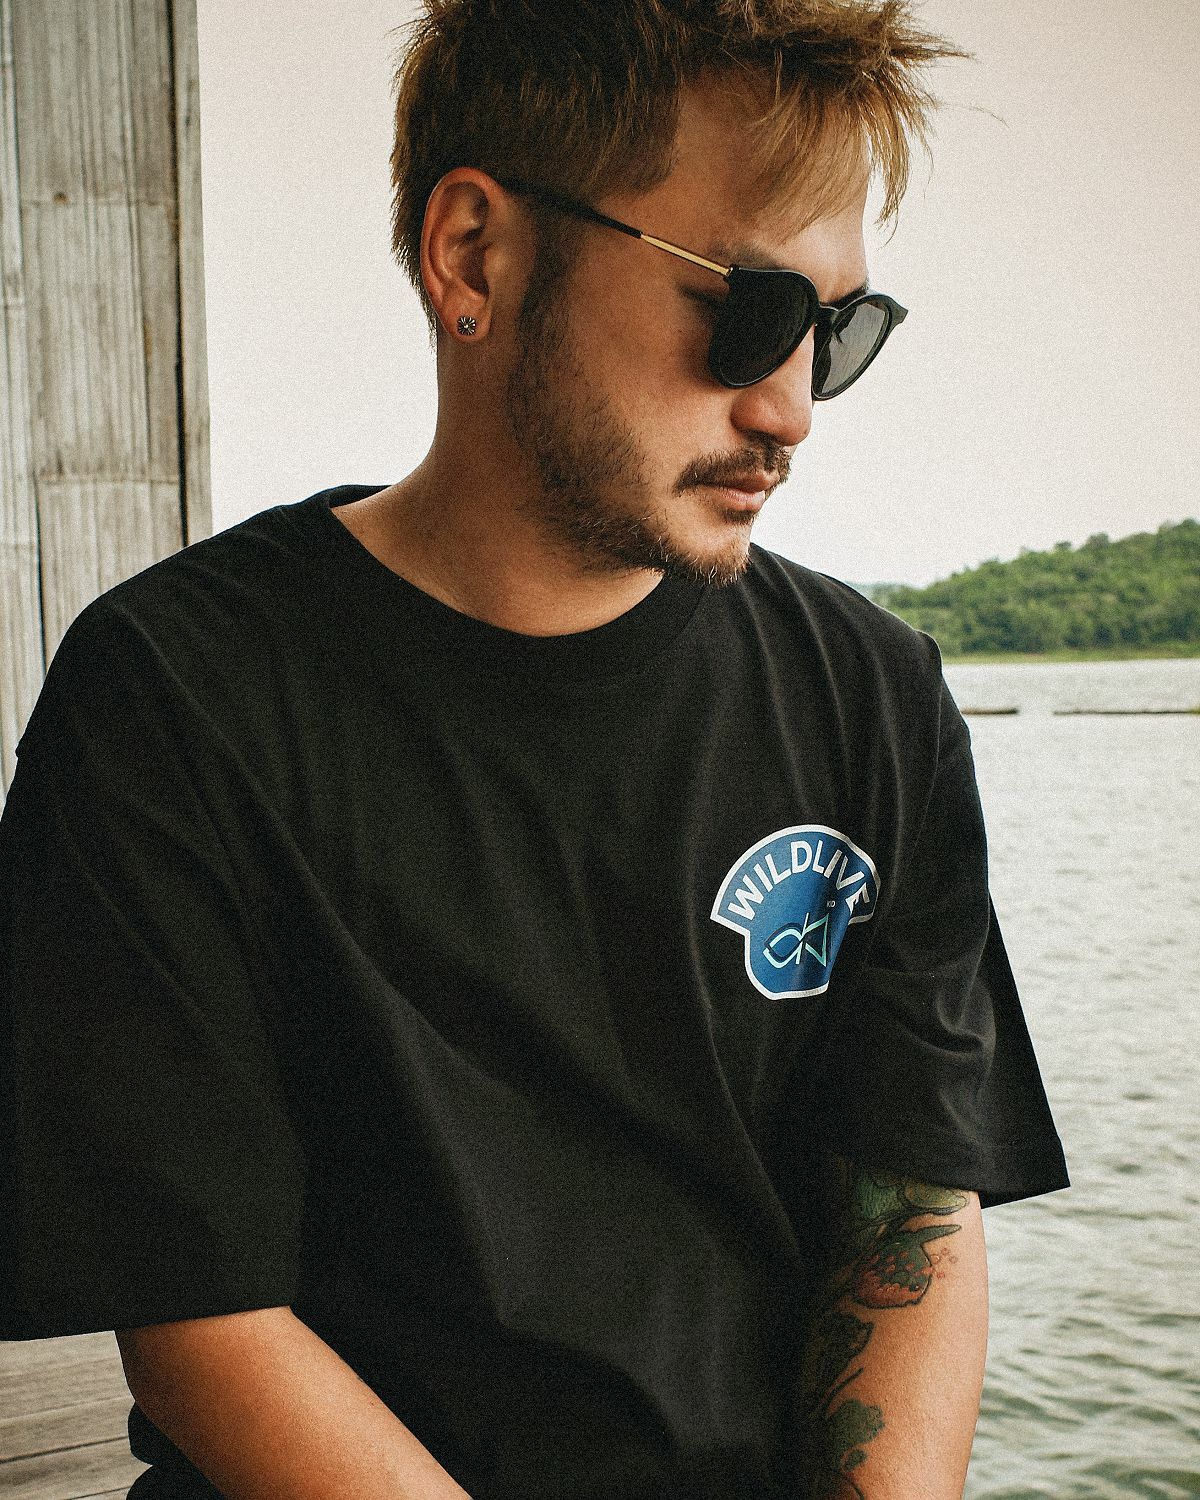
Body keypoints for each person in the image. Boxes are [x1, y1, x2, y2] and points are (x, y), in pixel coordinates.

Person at [0, 2, 1069, 1497]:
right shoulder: (176, 697)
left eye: (840, 333)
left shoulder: (873, 697)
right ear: (474, 256)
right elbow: (203, 1318)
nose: (790, 407)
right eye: (751, 310)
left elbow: (913, 1228)